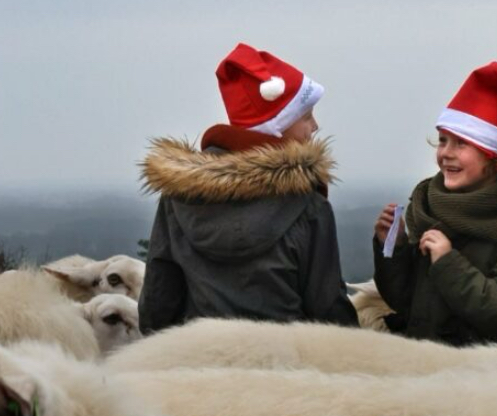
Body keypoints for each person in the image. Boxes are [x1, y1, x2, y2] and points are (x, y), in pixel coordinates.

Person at [138, 42, 358, 333]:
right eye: (306, 116)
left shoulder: (178, 199)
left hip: (198, 366)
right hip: (284, 369)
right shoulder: (309, 207)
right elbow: (329, 314)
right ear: (276, 127)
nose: (314, 126)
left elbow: (157, 310)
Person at [372, 62, 497, 346]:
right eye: (443, 141)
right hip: (420, 369)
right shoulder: (430, 206)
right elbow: (405, 301)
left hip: (476, 379)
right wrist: (392, 248)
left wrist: (448, 262)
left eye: (461, 144)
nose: (446, 154)